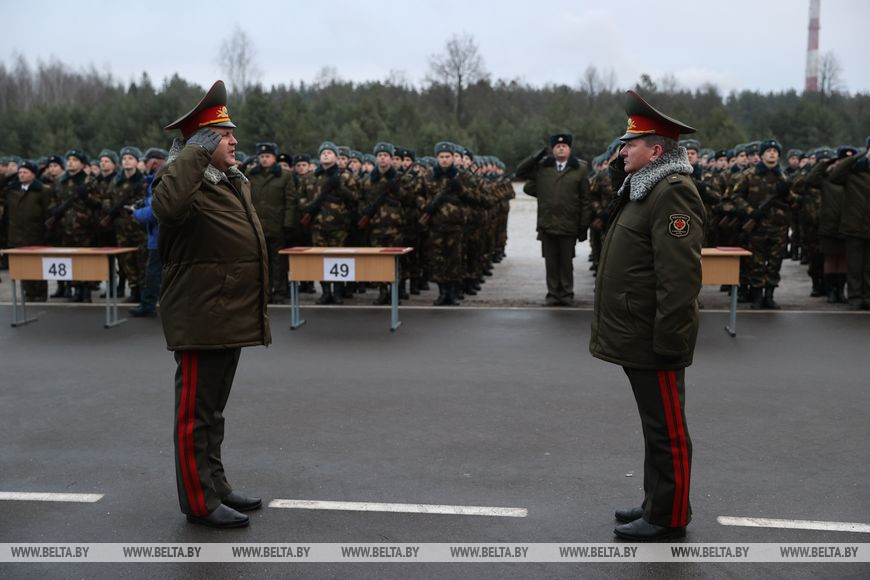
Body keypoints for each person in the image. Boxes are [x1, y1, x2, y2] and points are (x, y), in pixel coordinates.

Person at [152, 80, 271, 529]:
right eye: (223, 135)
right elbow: (167, 208)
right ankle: (199, 501)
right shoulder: (180, 181)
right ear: (201, 144)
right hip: (200, 315)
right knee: (194, 416)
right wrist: (192, 154)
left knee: (213, 412)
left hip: (225, 314)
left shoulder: (228, 181)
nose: (234, 141)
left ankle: (215, 485)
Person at [589, 90, 704, 541]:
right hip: (639, 333)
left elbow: (679, 278)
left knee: (667, 430)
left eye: (630, 145)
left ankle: (669, 517)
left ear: (656, 151)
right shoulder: (644, 187)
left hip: (656, 337)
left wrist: (670, 341)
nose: (622, 151)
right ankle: (657, 501)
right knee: (654, 427)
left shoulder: (672, 192)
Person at [515, 133, 591, 306]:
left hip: (569, 223)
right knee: (550, 262)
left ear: (570, 149)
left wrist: (583, 225)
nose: (561, 148)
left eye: (564, 146)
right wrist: (535, 157)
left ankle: (566, 294)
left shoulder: (580, 168)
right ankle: (553, 294)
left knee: (566, 262)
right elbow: (520, 172)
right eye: (557, 146)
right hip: (547, 223)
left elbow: (585, 199)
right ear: (552, 149)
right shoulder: (543, 166)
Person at [129, 148, 167, 317]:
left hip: (160, 236)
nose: (143, 165)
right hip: (162, 235)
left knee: (153, 274)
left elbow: (154, 211)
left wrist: (136, 213)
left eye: (145, 162)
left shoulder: (160, 180)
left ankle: (148, 305)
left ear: (154, 163)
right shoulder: (163, 178)